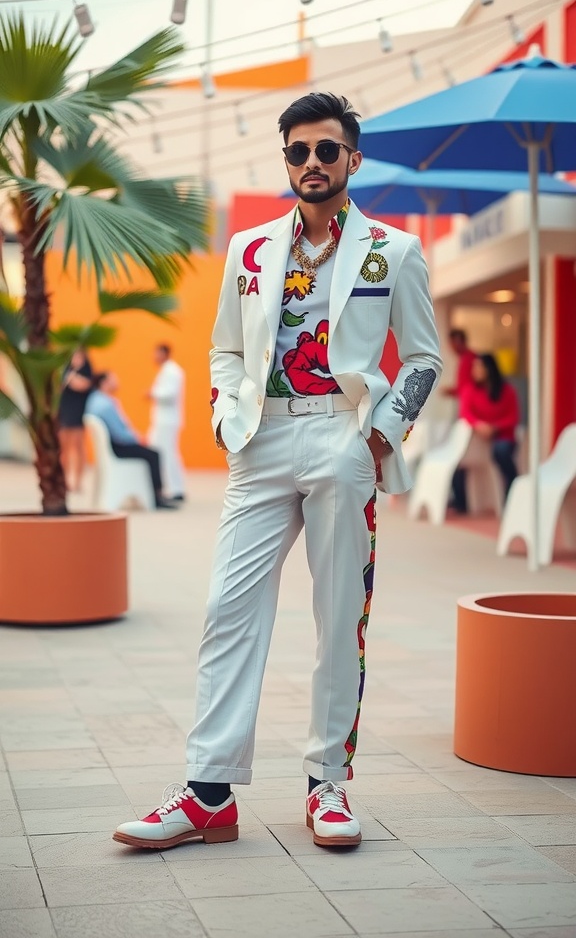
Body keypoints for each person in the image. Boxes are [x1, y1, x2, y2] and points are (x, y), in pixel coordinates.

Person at [113, 92, 442, 852]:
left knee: (337, 621)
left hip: (343, 439)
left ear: (352, 159)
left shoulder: (393, 251)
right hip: (260, 444)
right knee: (229, 611)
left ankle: (328, 784)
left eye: (327, 150)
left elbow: (423, 357)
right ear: (286, 159)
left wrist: (381, 436)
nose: (312, 163)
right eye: (298, 151)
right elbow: (225, 350)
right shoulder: (250, 250)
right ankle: (208, 793)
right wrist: (229, 422)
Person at [85, 371, 177, 510]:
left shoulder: (94, 399)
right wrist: (137, 439)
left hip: (112, 447)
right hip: (118, 447)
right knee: (154, 454)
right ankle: (157, 497)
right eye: (113, 379)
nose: (117, 382)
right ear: (104, 383)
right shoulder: (106, 404)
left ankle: (156, 495)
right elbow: (120, 434)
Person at [451, 353, 520, 513]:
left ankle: (513, 491)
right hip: (477, 440)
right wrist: (479, 425)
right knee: (456, 460)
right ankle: (462, 503)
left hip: (502, 437)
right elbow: (465, 413)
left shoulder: (507, 391)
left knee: (502, 451)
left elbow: (513, 417)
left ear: (489, 369)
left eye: (478, 366)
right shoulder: (469, 390)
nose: (474, 370)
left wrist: (494, 427)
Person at [146, 344, 186, 501]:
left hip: (167, 421)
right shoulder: (167, 371)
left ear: (164, 354)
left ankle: (175, 489)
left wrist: (152, 393)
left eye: (157, 353)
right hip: (163, 420)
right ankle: (168, 487)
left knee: (167, 454)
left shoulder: (172, 371)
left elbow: (170, 393)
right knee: (161, 452)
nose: (154, 357)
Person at [58, 348, 93, 492]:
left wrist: (72, 378)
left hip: (78, 414)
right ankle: (64, 480)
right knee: (63, 449)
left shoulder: (86, 373)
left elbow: (82, 385)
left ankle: (78, 482)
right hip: (64, 412)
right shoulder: (64, 372)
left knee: (78, 448)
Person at [442, 328, 476, 413]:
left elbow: (467, 386)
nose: (452, 345)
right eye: (451, 342)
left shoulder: (469, 358)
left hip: (471, 403)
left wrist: (451, 391)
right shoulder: (464, 358)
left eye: (454, 342)